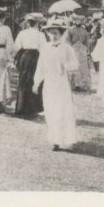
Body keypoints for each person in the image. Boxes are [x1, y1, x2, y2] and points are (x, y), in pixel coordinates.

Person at [33, 17, 79, 151]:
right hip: (49, 84)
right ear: (47, 33)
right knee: (51, 110)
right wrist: (36, 83)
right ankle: (55, 140)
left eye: (56, 33)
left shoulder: (67, 48)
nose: (53, 36)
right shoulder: (45, 48)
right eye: (51, 33)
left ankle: (66, 139)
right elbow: (40, 67)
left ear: (61, 33)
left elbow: (75, 64)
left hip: (62, 84)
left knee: (63, 111)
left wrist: (65, 66)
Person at [12, 13, 46, 117]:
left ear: (28, 23)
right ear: (37, 23)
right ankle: (32, 109)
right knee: (34, 80)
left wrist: (14, 58)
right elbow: (43, 49)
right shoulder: (41, 35)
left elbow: (16, 47)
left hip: (24, 57)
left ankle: (21, 108)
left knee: (23, 80)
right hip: (35, 57)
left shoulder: (22, 33)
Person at [66, 15, 93, 91]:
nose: (78, 22)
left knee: (81, 66)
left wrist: (86, 49)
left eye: (80, 20)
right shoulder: (70, 30)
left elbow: (87, 42)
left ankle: (81, 83)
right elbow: (67, 41)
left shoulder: (84, 31)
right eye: (77, 20)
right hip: (74, 49)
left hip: (80, 50)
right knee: (75, 66)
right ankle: (75, 84)